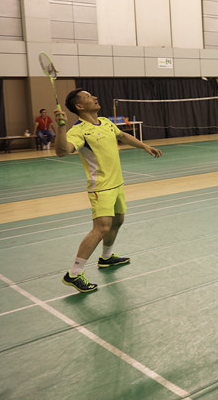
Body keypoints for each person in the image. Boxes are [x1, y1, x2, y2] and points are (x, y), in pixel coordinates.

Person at [55, 89, 163, 293]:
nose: (95, 98)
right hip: (101, 187)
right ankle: (74, 274)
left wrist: (144, 146)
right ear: (79, 106)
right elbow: (62, 151)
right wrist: (61, 128)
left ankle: (106, 257)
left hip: (117, 183)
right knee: (101, 228)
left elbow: (122, 135)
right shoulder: (78, 131)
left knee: (118, 220)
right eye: (88, 97)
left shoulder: (105, 122)